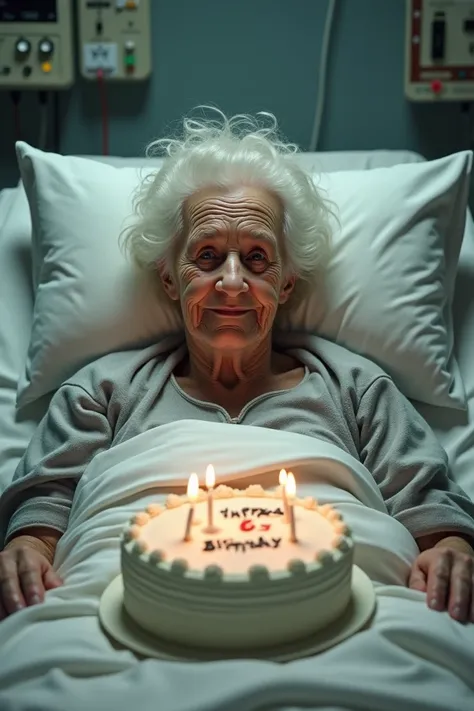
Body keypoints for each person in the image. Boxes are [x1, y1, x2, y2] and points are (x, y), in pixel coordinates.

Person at [1, 109, 474, 625]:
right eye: (206, 256)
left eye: (256, 258)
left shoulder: (358, 390)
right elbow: (42, 512)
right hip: (132, 609)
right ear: (168, 279)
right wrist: (26, 548)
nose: (231, 282)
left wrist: (452, 546)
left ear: (287, 283)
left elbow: (432, 513)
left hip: (340, 609)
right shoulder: (101, 391)